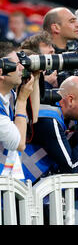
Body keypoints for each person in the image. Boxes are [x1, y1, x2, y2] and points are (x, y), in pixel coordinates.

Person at [22, 76, 78, 183]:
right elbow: (71, 165)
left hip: (29, 188)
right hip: (17, 189)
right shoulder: (49, 119)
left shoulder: (66, 119)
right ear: (70, 100)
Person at [0, 43, 39, 179]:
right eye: (17, 64)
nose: (22, 67)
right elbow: (20, 143)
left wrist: (36, 78)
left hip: (11, 184)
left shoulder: (9, 95)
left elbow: (34, 118)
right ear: (2, 72)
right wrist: (22, 101)